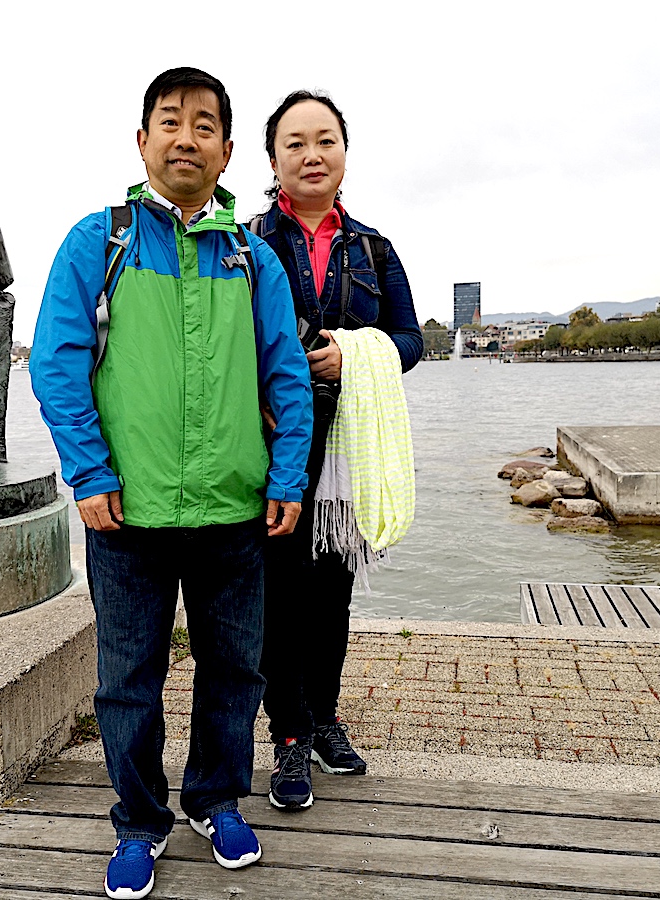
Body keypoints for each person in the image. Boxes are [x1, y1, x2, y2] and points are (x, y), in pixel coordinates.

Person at [30, 68, 313, 900]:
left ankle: (215, 799)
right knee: (128, 678)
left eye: (203, 126)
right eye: (169, 122)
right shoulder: (100, 241)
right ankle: (140, 822)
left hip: (234, 508)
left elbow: (285, 374)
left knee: (236, 671)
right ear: (142, 140)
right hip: (127, 512)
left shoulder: (251, 257)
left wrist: (287, 473)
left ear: (227, 151)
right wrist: (87, 471)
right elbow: (57, 364)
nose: (185, 138)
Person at [250, 90, 422, 812]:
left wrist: (355, 355)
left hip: (349, 442)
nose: (312, 154)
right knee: (276, 597)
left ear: (345, 153)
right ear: (272, 159)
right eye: (296, 142)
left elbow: (411, 342)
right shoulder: (247, 241)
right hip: (267, 443)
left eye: (325, 140)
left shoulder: (375, 249)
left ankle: (324, 717)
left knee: (331, 594)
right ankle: (288, 735)